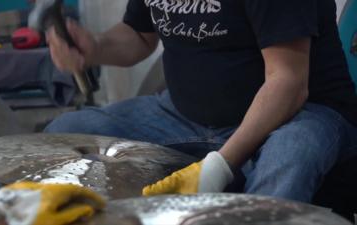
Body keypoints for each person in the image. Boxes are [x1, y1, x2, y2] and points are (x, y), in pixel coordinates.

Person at [45, 0, 357, 202]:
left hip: (297, 114)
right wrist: (95, 48)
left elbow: (288, 83)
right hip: (181, 114)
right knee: (68, 130)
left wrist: (220, 165)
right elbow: (140, 37)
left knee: (291, 156)